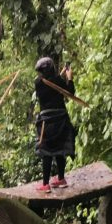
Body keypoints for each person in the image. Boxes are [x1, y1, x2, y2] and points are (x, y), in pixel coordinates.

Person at [33, 56, 76, 192]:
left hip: (46, 122)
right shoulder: (58, 81)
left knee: (47, 151)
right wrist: (69, 78)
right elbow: (70, 92)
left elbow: (51, 84)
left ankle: (46, 184)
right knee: (60, 148)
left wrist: (62, 76)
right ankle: (61, 178)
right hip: (61, 119)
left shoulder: (38, 83)